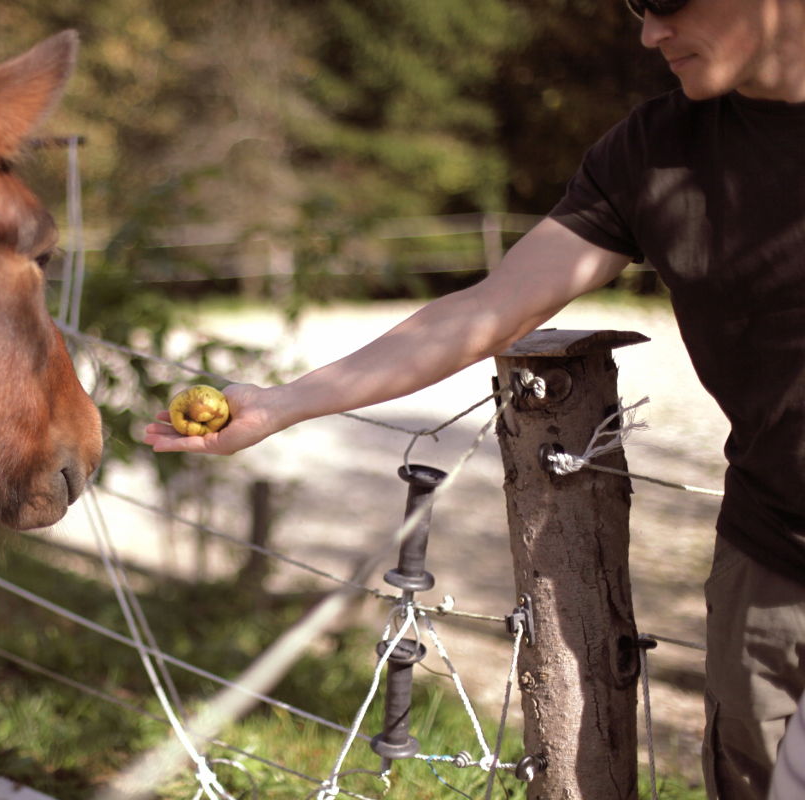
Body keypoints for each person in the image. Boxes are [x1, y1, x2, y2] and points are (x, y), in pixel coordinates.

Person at [144, 1, 805, 797]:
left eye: (667, 1)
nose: (647, 33)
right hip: (772, 563)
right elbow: (486, 310)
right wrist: (283, 403)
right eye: (635, 6)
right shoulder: (656, 151)